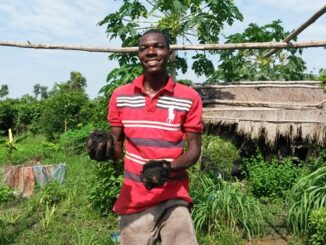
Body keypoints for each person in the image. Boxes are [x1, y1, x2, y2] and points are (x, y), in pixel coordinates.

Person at [91, 29, 203, 245]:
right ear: (139, 55)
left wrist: (166, 168)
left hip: (174, 196)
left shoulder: (188, 97)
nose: (151, 52)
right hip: (135, 199)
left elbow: (194, 150)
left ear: (169, 53)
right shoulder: (120, 96)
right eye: (144, 48)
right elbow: (116, 149)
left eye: (158, 46)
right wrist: (101, 151)